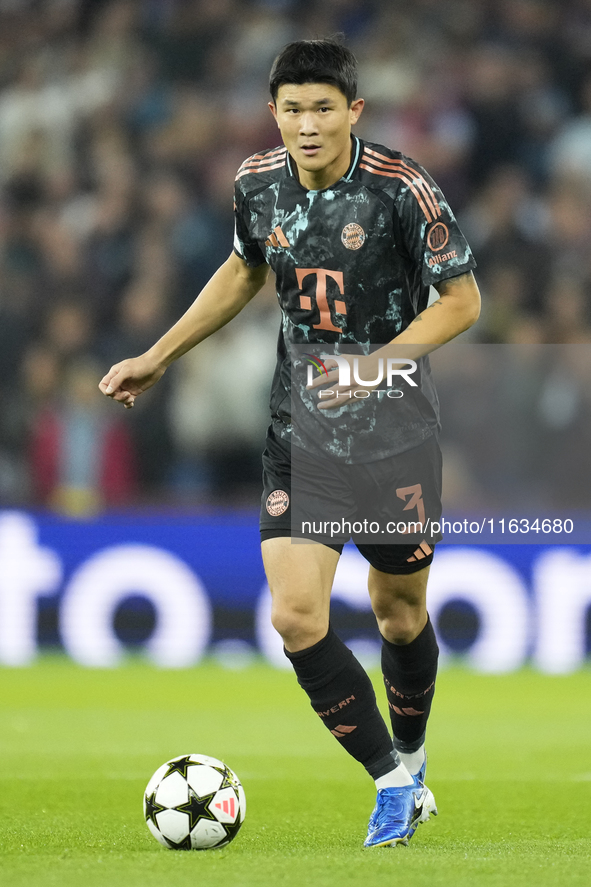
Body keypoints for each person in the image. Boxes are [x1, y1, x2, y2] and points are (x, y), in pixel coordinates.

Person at [100, 38, 481, 848]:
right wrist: (157, 356)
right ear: (273, 113)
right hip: (299, 433)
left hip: (395, 437)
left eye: (322, 108)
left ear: (353, 112)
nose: (306, 125)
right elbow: (243, 271)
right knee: (297, 615)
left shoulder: (399, 188)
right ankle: (391, 784)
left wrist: (375, 366)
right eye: (292, 109)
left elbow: (461, 302)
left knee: (399, 613)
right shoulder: (255, 184)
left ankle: (410, 759)